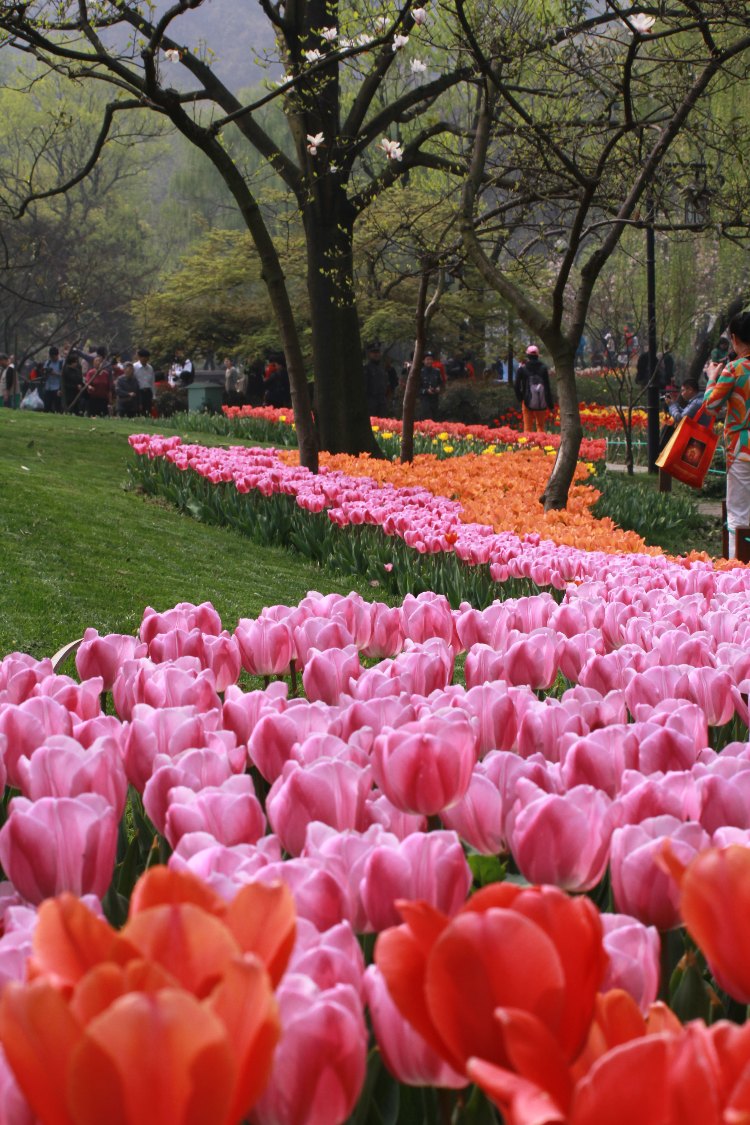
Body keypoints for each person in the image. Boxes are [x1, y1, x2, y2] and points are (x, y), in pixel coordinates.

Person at [703, 310, 750, 559]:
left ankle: (739, 573)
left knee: (739, 513)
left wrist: (712, 378)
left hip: (742, 450)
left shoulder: (734, 369)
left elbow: (710, 405)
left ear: (734, 338)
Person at [514, 345, 553, 431]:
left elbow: (516, 385)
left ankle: (528, 443)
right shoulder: (543, 368)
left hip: (527, 400)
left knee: (527, 427)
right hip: (541, 401)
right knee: (540, 426)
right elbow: (547, 387)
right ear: (537, 355)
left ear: (528, 355)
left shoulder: (522, 369)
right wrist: (550, 404)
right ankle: (541, 443)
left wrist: (521, 398)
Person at [83, 347, 113, 416]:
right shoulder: (91, 373)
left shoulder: (106, 373)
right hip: (93, 398)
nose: (98, 363)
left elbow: (109, 387)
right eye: (96, 361)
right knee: (92, 415)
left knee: (103, 416)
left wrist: (110, 399)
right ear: (93, 363)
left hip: (103, 399)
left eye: (99, 361)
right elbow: (87, 383)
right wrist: (89, 387)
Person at [363, 341, 389, 419]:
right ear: (369, 354)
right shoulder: (366, 369)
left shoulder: (382, 368)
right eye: (374, 352)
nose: (376, 354)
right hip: (371, 401)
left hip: (382, 401)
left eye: (377, 352)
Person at [417, 352, 442, 420]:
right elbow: (417, 388)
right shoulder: (420, 372)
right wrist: (426, 391)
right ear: (423, 361)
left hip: (435, 399)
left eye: (431, 359)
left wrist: (438, 388)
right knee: (427, 418)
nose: (429, 361)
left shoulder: (437, 371)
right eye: (427, 359)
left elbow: (440, 383)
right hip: (424, 399)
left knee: (435, 418)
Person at [133, 348, 155, 416]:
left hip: (148, 392)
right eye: (143, 358)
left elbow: (152, 382)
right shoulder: (134, 367)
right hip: (139, 392)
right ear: (139, 357)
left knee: (148, 411)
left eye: (147, 358)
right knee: (139, 411)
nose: (145, 360)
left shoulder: (150, 368)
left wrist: (154, 396)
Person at [43, 346, 63, 413]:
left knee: (58, 407)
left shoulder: (62, 363)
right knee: (46, 406)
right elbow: (44, 372)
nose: (52, 359)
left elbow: (64, 375)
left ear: (57, 355)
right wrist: (45, 372)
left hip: (57, 388)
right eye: (51, 357)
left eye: (54, 357)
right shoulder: (48, 363)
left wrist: (55, 373)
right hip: (48, 387)